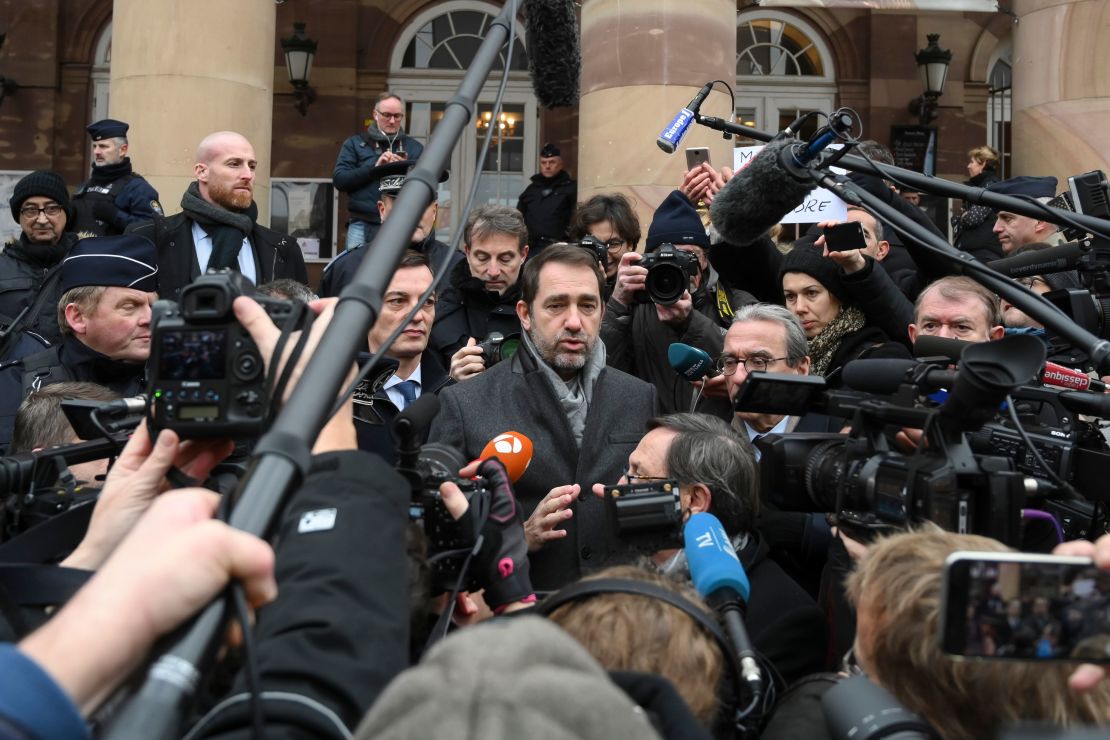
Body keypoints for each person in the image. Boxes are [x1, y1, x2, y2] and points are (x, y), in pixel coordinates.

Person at [428, 244, 656, 590]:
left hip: (618, 617)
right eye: (556, 305)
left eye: (588, 305)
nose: (575, 322)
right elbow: (436, 538)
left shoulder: (639, 397)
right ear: (524, 313)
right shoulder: (464, 403)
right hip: (519, 619)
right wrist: (519, 538)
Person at [602, 414, 826, 686]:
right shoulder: (623, 569)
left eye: (637, 474)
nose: (621, 485)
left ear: (694, 500)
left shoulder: (785, 621)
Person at [0, 234, 158, 452]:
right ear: (77, 317)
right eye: (130, 306)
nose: (150, 318)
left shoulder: (179, 382)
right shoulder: (13, 384)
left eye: (153, 306)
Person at [602, 190, 750, 418]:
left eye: (687, 257)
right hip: (646, 438)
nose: (676, 267)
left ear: (704, 260)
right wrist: (617, 303)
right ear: (646, 261)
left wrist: (691, 322)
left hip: (710, 443)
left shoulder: (734, 305)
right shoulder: (633, 305)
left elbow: (747, 369)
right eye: (664, 257)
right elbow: (602, 373)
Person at [126, 130, 307, 301]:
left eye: (252, 166)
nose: (247, 175)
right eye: (234, 164)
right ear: (202, 172)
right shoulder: (149, 239)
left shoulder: (283, 249)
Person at [354, 250, 452, 464]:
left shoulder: (454, 396)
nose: (417, 316)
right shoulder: (337, 397)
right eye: (398, 301)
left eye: (427, 302)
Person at [319, 160, 458, 299]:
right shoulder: (346, 269)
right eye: (402, 204)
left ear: (434, 211)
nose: (413, 213)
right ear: (382, 210)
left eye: (421, 203)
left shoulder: (458, 268)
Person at [779, 245, 909, 383]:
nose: (799, 308)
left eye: (812, 293)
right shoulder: (780, 354)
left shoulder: (877, 357)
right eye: (790, 296)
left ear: (839, 297)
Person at [429, 205, 528, 381]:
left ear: (523, 254)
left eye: (505, 259)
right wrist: (450, 383)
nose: (493, 270)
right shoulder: (439, 315)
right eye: (482, 258)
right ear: (467, 253)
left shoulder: (541, 313)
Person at [333, 92, 424, 251]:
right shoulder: (355, 143)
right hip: (363, 222)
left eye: (397, 116)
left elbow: (426, 186)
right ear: (375, 114)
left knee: (402, 273)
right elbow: (340, 180)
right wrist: (373, 168)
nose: (392, 121)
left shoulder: (414, 147)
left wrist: (406, 171)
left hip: (403, 223)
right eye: (387, 115)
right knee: (357, 271)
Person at [1, 170, 81, 344]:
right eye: (31, 210)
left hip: (74, 370)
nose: (42, 219)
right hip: (12, 369)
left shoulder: (87, 262)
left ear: (66, 213)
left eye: (52, 209)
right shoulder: (2, 267)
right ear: (19, 217)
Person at [71, 119, 163, 237]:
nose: (97, 152)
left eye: (103, 146)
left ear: (123, 150)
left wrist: (115, 216)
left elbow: (156, 231)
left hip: (116, 254)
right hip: (81, 254)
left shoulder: (138, 189)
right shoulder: (85, 186)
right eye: (95, 146)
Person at [568, 193, 641, 296]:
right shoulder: (567, 284)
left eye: (613, 244)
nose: (604, 253)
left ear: (630, 244)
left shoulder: (641, 286)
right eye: (595, 245)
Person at [517, 143, 576, 253]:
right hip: (532, 248)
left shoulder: (571, 188)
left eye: (552, 162)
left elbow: (577, 218)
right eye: (544, 163)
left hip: (559, 247)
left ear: (561, 164)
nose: (547, 166)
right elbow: (519, 216)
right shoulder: (531, 190)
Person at [953, 145, 1003, 259]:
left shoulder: (991, 186)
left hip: (983, 254)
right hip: (974, 251)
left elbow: (972, 218)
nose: (968, 166)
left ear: (983, 164)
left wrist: (962, 216)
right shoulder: (979, 186)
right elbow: (957, 220)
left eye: (972, 162)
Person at [988, 175, 1061, 255]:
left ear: (1040, 221)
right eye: (997, 219)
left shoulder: (1061, 261)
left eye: (1007, 218)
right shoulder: (1056, 258)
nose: (995, 228)